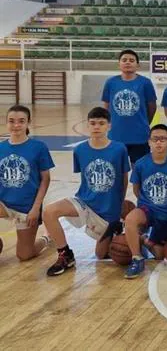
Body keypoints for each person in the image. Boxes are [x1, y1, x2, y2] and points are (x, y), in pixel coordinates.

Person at [43, 107, 130, 276]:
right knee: (49, 211)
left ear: (109, 126)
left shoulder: (119, 149)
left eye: (101, 123)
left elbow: (123, 179)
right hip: (84, 202)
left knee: (101, 254)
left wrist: (119, 208)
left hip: (107, 211)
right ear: (88, 125)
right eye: (93, 123)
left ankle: (116, 230)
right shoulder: (80, 150)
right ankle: (65, 254)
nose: (96, 127)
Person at [123, 124, 167, 279]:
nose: (158, 143)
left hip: (166, 214)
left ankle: (144, 239)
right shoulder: (141, 164)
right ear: (149, 142)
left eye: (162, 139)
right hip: (146, 208)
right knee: (131, 219)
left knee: (159, 254)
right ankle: (137, 258)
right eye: (155, 139)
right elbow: (136, 189)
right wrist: (146, 204)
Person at [0, 105, 54, 261]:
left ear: (28, 123)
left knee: (24, 255)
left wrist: (36, 208)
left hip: (27, 207)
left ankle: (46, 238)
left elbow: (46, 179)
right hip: (4, 203)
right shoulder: (1, 147)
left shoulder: (38, 147)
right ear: (6, 123)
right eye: (11, 121)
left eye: (21, 121)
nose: (16, 125)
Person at [101, 49, 157, 166]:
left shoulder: (145, 83)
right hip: (116, 136)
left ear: (137, 64)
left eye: (131, 60)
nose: (128, 62)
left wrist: (145, 122)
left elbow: (152, 107)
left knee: (139, 171)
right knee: (117, 171)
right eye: (124, 60)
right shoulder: (111, 82)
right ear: (119, 63)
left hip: (140, 136)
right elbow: (106, 107)